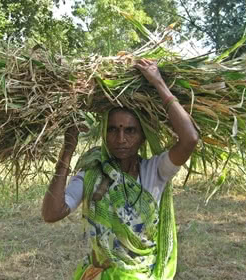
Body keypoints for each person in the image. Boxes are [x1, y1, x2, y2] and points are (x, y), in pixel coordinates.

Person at [42, 59, 199, 280]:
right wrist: (67, 151)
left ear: (143, 136)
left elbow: (190, 139)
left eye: (131, 131)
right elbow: (52, 213)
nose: (121, 139)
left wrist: (158, 83)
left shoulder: (155, 171)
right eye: (113, 130)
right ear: (104, 133)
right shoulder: (91, 173)